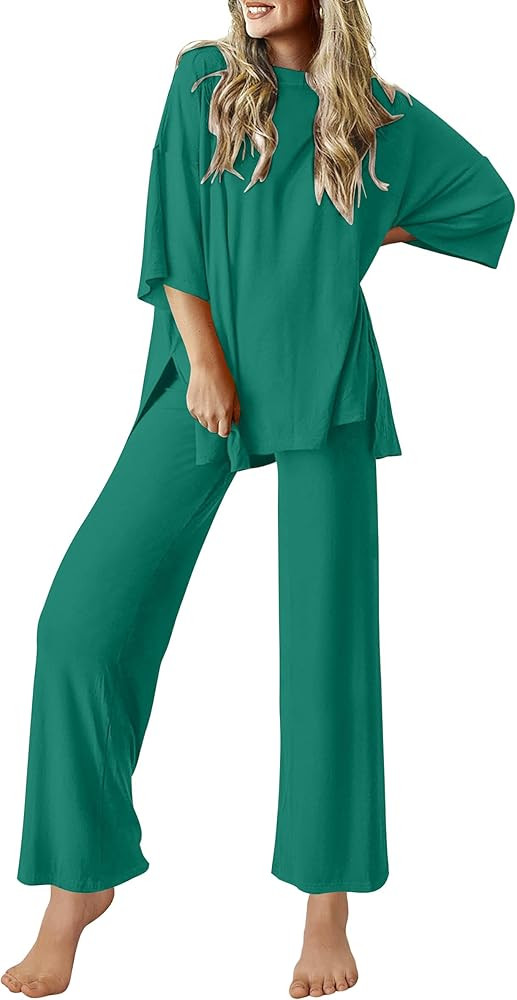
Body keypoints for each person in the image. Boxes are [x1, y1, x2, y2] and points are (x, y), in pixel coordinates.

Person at [2, 0, 514, 997]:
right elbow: (173, 233)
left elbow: (486, 200)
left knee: (328, 651)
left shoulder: (377, 116)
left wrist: (360, 233)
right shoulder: (202, 80)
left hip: (326, 381)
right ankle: (78, 882)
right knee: (78, 625)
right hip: (204, 379)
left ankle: (327, 909)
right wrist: (202, 362)